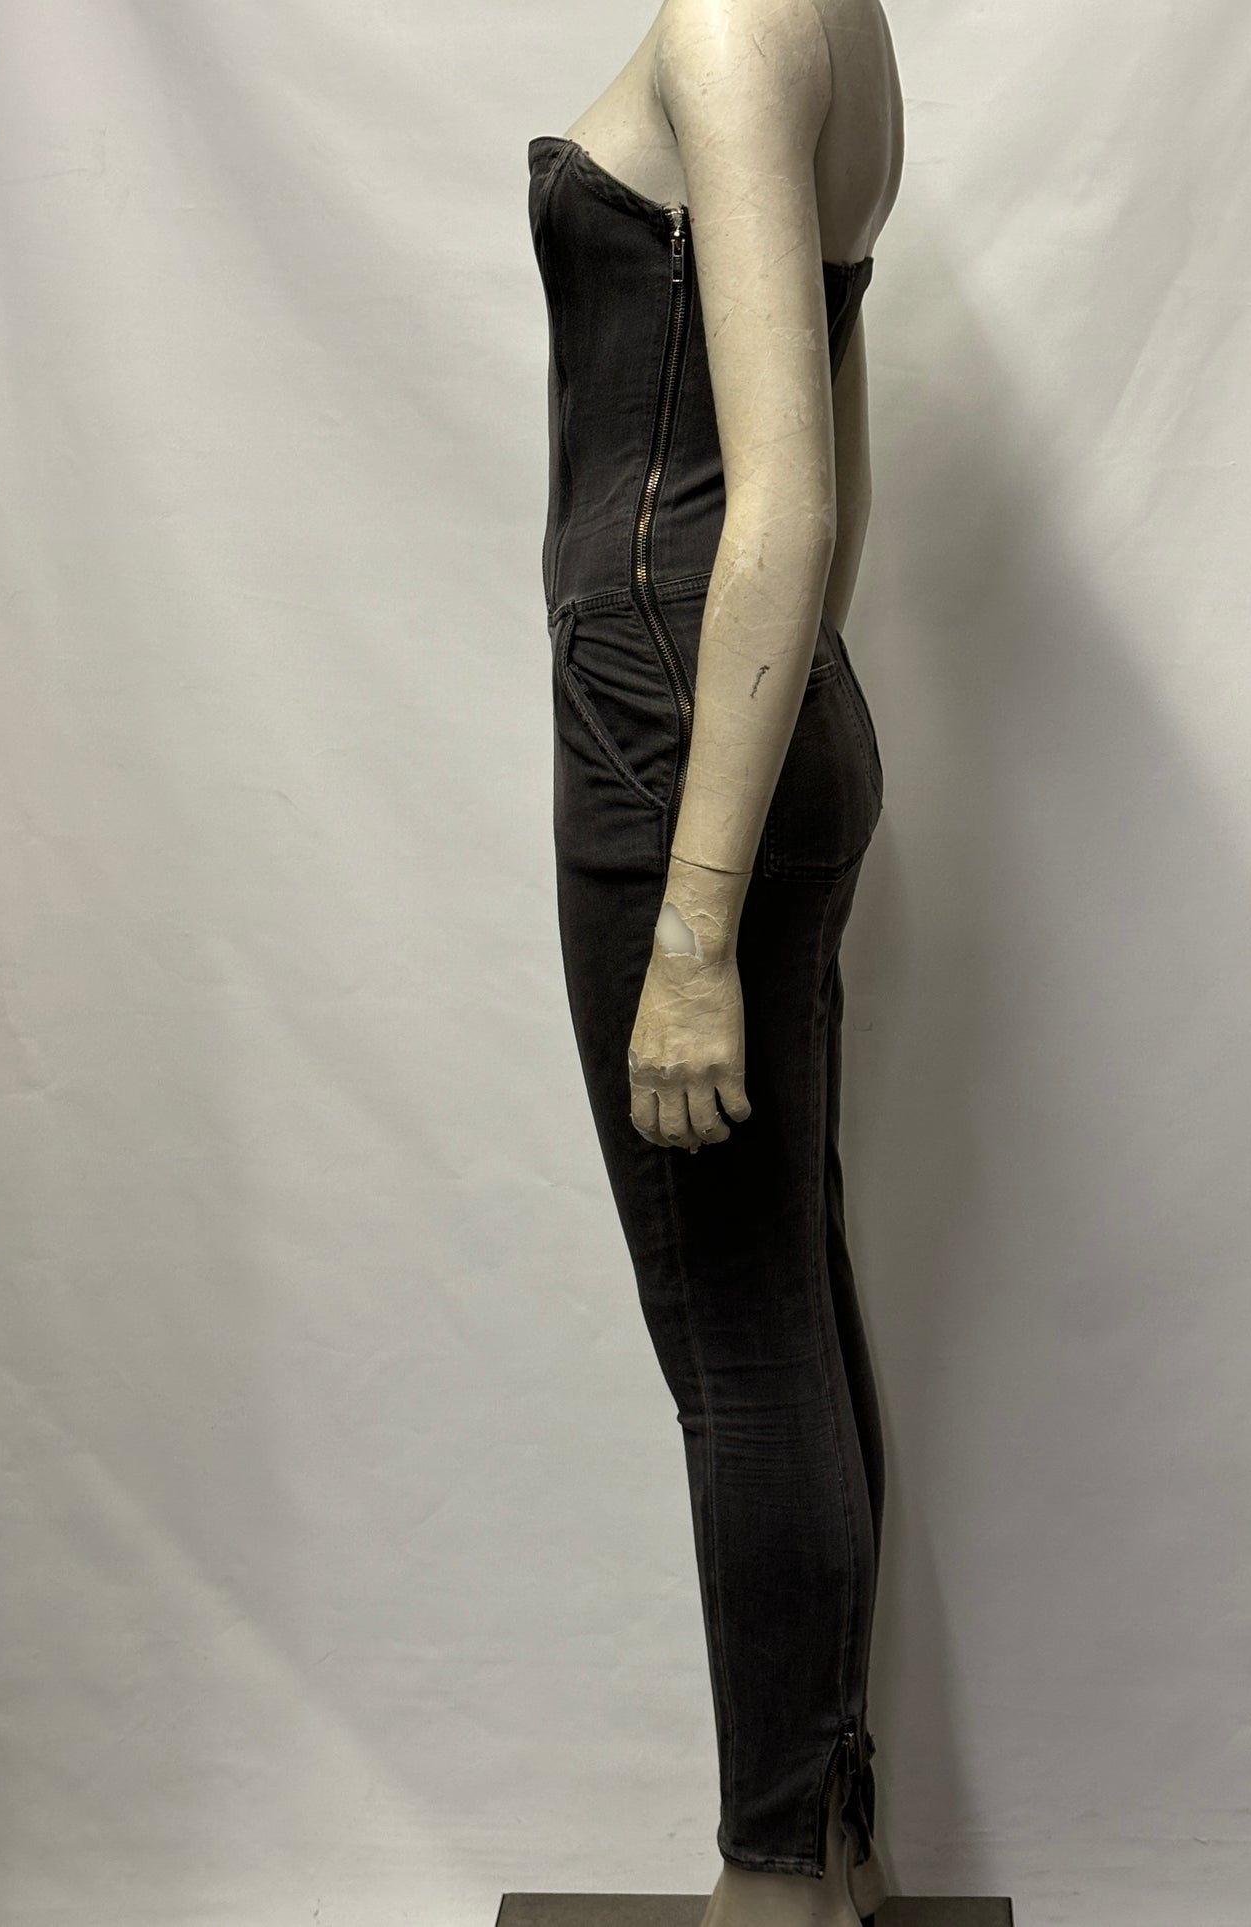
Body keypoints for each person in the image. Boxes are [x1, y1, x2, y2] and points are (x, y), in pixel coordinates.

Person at [527, 3, 902, 1921]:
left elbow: (789, 499)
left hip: (673, 732)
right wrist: (785, 720)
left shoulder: (738, 21)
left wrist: (695, 926)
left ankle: (770, 1888)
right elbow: (836, 465)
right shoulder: (842, 26)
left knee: (740, 1355)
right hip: (741, 709)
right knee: (789, 1309)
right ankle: (828, 1848)